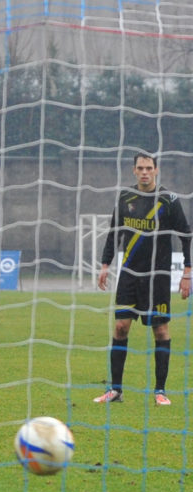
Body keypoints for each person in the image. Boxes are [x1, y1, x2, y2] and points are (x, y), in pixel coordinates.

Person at [94, 152, 192, 406]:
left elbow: (186, 235)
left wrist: (187, 273)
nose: (145, 172)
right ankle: (115, 390)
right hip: (128, 273)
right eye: (141, 168)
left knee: (160, 330)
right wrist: (106, 264)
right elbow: (114, 233)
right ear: (134, 171)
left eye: (149, 167)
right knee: (120, 327)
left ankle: (160, 391)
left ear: (156, 170)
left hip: (157, 277)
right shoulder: (126, 197)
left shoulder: (168, 200)